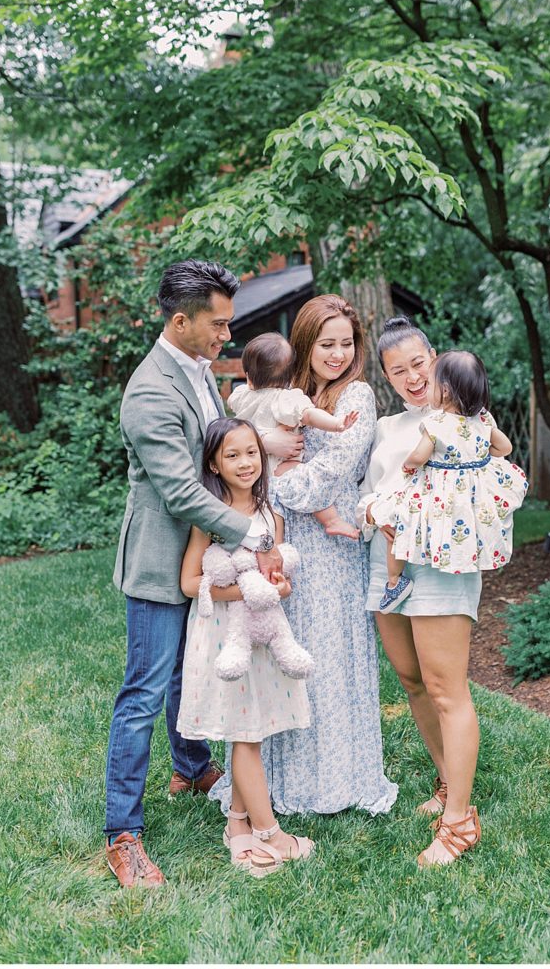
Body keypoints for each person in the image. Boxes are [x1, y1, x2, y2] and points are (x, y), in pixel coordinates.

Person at [105, 259, 293, 888]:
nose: (226, 336)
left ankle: (189, 766)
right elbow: (184, 492)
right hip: (163, 564)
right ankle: (122, 833)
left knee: (195, 673)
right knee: (144, 692)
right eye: (217, 325)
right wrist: (254, 532)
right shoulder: (150, 392)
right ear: (180, 321)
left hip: (208, 555)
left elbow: (223, 444)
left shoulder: (200, 372)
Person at [213, 295, 398, 816]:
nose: (337, 354)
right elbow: (246, 450)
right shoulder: (287, 392)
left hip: (331, 551)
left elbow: (326, 477)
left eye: (346, 344)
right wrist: (267, 459)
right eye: (326, 344)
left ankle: (331, 780)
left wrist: (276, 473)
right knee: (277, 655)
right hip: (280, 539)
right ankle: (268, 779)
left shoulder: (355, 396)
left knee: (326, 659)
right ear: (305, 344)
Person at [357, 317, 485, 867]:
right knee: (412, 680)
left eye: (418, 363)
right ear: (386, 376)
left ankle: (459, 822)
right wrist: (374, 514)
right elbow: (364, 497)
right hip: (383, 563)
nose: (412, 377)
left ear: (434, 356)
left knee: (445, 686)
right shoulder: (385, 428)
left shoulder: (466, 419)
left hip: (440, 564)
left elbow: (488, 490)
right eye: (397, 370)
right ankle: (445, 781)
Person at [177, 417, 314, 877]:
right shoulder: (211, 519)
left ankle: (237, 824)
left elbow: (278, 577)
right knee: (246, 735)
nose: (245, 462)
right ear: (214, 462)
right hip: (225, 638)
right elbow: (190, 580)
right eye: (232, 455)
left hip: (263, 637)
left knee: (250, 726)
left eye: (251, 452)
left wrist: (278, 588)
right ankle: (268, 831)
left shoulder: (271, 515)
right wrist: (243, 592)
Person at [373, 350, 528, 611]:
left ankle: (393, 582)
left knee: (397, 521)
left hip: (438, 490)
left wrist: (409, 464)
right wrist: (475, 455)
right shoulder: (483, 418)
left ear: (444, 391)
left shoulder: (437, 422)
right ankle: (466, 556)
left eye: (431, 384)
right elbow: (505, 449)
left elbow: (420, 455)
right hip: (468, 496)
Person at [228, 331, 360, 539]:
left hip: (255, 467)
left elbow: (233, 410)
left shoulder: (241, 396)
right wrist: (336, 424)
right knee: (300, 474)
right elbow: (310, 415)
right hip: (280, 465)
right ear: (290, 376)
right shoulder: (286, 399)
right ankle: (331, 520)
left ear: (248, 377)